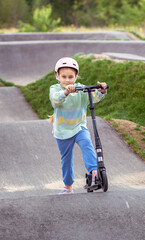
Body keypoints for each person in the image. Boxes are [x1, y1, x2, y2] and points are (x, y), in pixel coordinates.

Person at [49, 57, 107, 194]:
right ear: (57, 76)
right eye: (64, 76)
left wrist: (101, 90)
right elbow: (55, 100)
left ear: (76, 76)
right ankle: (68, 186)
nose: (67, 80)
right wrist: (66, 92)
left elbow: (94, 97)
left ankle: (94, 173)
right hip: (62, 131)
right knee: (66, 159)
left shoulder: (80, 89)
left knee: (87, 143)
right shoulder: (55, 88)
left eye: (71, 77)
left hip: (79, 127)